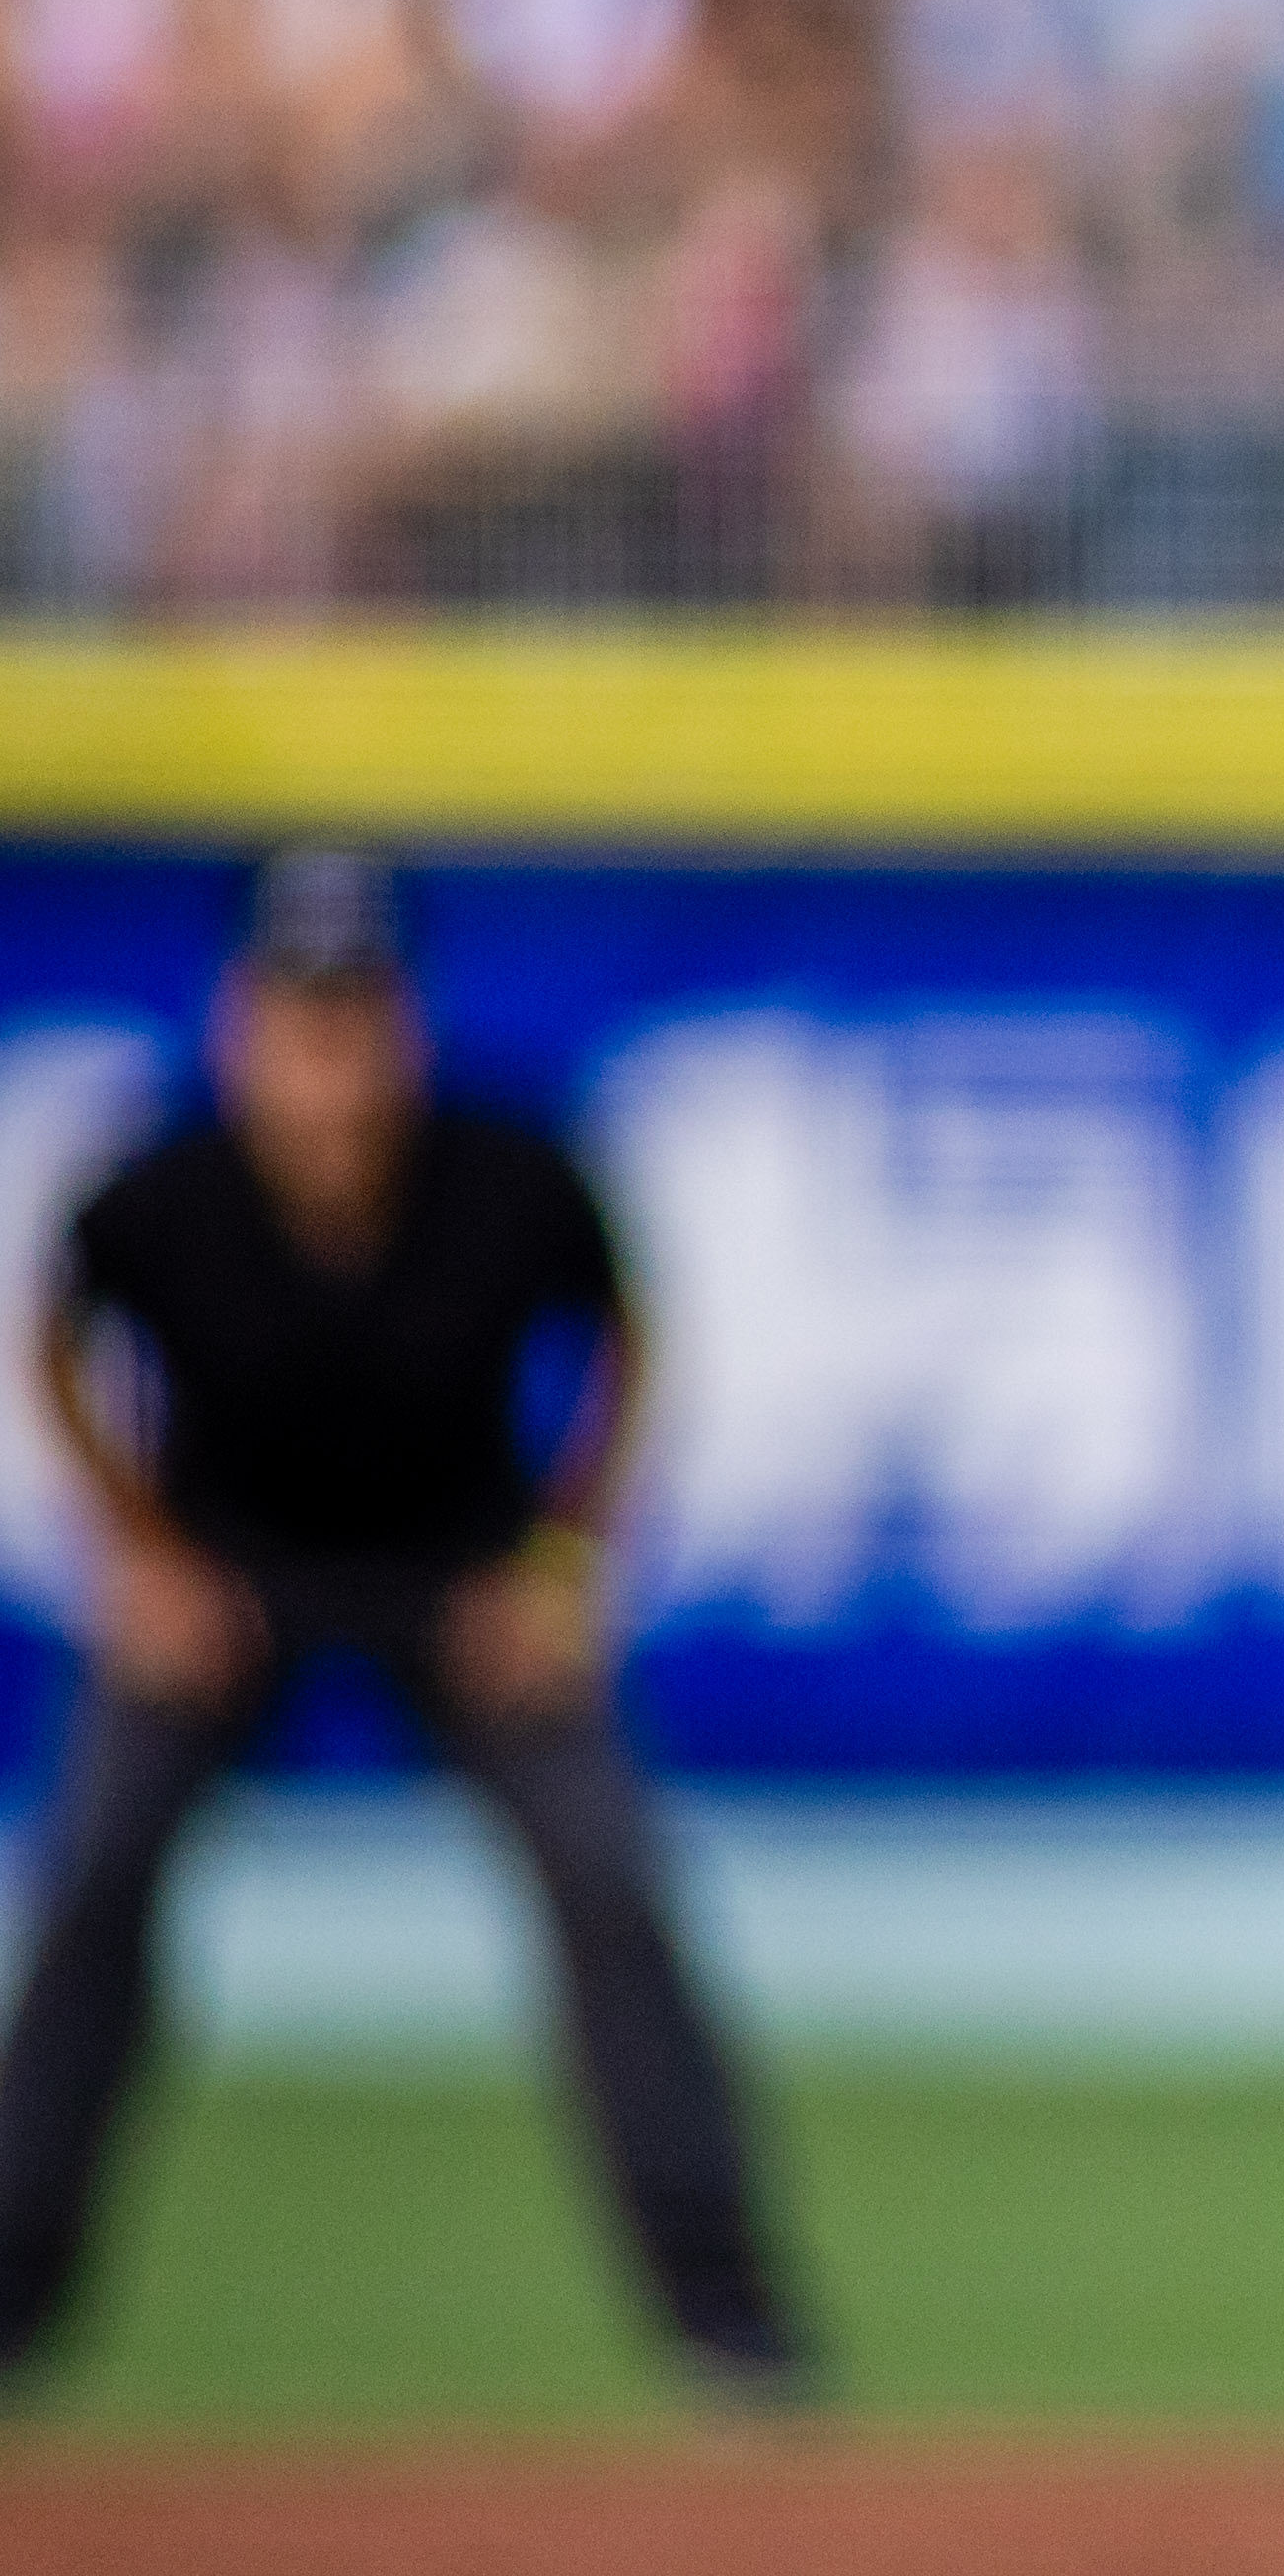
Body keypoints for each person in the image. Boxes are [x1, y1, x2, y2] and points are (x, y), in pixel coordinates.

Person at [0, 851, 808, 2402]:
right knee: (96, 1864)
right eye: (299, 1016)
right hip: (235, 1577)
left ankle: (730, 2323)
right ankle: (13, 2305)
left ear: (406, 1022)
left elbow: (629, 1336)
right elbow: (53, 1332)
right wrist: (140, 1551)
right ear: (239, 1024)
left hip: (462, 1575)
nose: (329, 1055)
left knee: (606, 1869)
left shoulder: (504, 1176)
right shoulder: (163, 1192)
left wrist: (565, 1560)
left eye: (357, 1013)